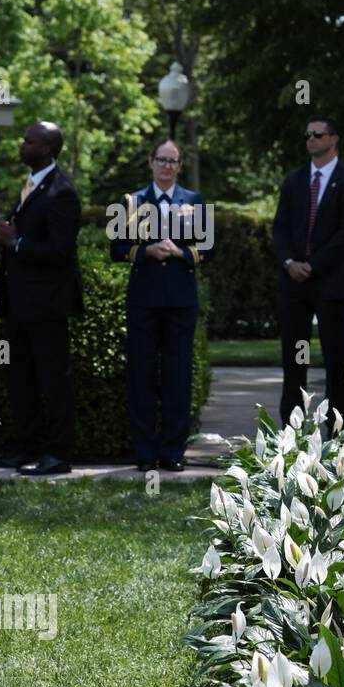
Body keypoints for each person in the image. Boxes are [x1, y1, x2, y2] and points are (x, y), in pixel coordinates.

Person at [110, 139, 210, 471]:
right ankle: (144, 453)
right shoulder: (133, 201)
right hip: (144, 300)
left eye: (173, 161)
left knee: (177, 377)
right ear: (151, 162)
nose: (167, 166)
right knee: (141, 375)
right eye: (161, 160)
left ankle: (171, 452)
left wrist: (180, 253)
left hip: (180, 302)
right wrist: (146, 251)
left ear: (180, 166)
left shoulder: (194, 201)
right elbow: (117, 247)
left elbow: (206, 249)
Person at [0, 121, 83, 476]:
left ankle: (57, 453)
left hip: (47, 306)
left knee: (52, 380)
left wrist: (16, 243)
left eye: (28, 140)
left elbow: (60, 250)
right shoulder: (31, 185)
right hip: (19, 305)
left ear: (47, 149)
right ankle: (27, 446)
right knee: (20, 377)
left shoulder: (62, 192)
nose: (21, 144)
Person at [272, 114, 344, 430]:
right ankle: (291, 430)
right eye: (307, 134)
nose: (311, 139)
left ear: (333, 138)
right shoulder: (294, 180)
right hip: (294, 286)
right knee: (294, 360)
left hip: (333, 284)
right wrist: (289, 263)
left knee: (335, 361)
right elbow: (280, 227)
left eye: (318, 134)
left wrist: (313, 265)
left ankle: (335, 431)